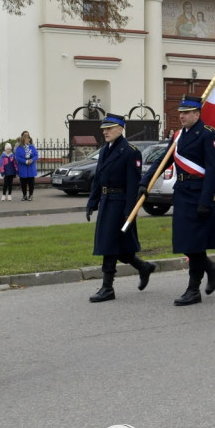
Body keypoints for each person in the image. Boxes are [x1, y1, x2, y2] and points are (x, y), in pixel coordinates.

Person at [139, 95, 215, 306]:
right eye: (180, 112)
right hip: (183, 193)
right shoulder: (178, 136)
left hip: (199, 193)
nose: (182, 116)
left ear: (197, 114)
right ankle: (212, 269)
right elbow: (163, 159)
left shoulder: (208, 135)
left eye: (186, 112)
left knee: (194, 243)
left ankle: (193, 289)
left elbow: (213, 170)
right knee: (185, 242)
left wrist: (205, 200)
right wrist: (146, 181)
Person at [85, 114, 155, 302]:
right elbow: (98, 179)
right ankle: (144, 267)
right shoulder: (105, 150)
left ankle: (107, 287)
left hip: (120, 202)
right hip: (107, 201)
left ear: (120, 129)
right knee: (120, 247)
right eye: (104, 129)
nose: (105, 132)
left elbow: (133, 185)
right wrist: (92, 202)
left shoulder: (130, 151)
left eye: (109, 128)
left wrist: (129, 212)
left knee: (109, 245)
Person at [16, 130, 38, 201]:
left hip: (31, 167)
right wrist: (25, 161)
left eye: (28, 138)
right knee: (23, 183)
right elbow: (18, 157)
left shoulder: (32, 147)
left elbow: (36, 155)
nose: (27, 140)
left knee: (31, 183)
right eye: (25, 138)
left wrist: (32, 160)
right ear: (23, 139)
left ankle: (31, 195)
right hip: (23, 167)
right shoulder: (19, 148)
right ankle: (24, 195)